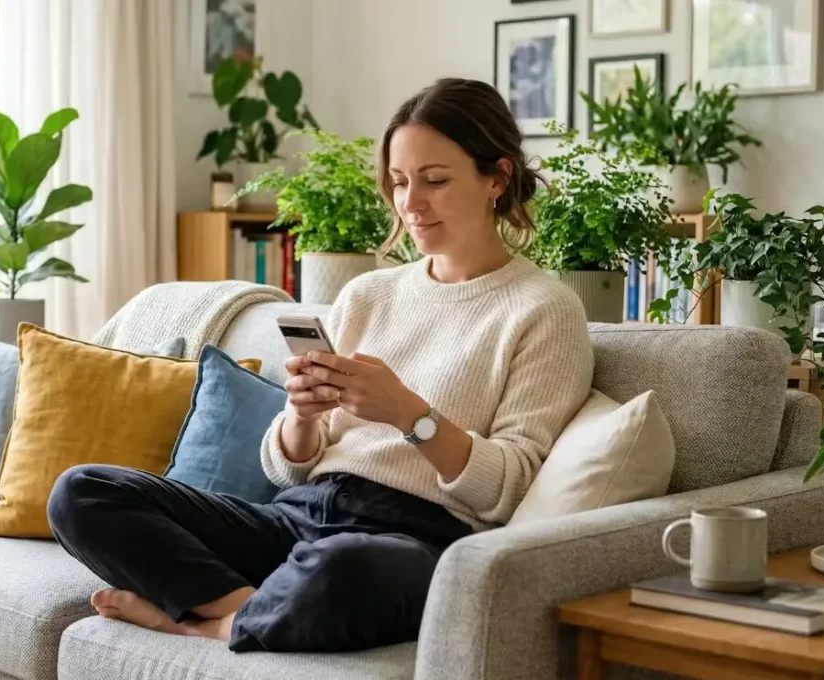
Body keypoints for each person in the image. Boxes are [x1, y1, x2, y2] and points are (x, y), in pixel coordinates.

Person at [47, 78, 594, 653]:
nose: (411, 203)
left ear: (497, 178)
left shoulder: (545, 310)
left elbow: (508, 491)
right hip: (298, 517)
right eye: (400, 182)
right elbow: (289, 471)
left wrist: (409, 413)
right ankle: (248, 611)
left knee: (344, 566)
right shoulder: (369, 295)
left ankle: (204, 620)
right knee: (81, 492)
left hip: (414, 540)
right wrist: (302, 418)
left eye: (435, 181)